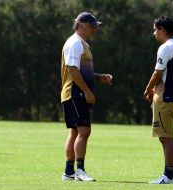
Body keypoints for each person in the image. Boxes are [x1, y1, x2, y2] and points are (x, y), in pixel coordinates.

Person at [61, 12, 113, 181]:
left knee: (75, 132)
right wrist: (87, 92)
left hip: (75, 93)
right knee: (84, 131)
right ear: (81, 24)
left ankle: (69, 172)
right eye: (92, 26)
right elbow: (72, 70)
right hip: (75, 93)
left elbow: (82, 71)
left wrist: (98, 77)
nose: (94, 30)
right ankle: (79, 171)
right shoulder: (75, 43)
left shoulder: (82, 44)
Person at [144, 16, 173, 184]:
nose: (154, 33)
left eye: (156, 29)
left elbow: (158, 73)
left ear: (163, 30)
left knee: (165, 138)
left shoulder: (165, 47)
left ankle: (167, 175)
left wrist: (148, 88)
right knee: (170, 137)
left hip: (164, 97)